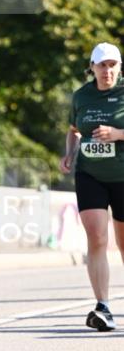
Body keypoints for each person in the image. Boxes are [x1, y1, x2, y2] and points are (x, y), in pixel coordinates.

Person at [60, 41, 124, 331]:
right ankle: (103, 307)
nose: (107, 71)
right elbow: (74, 130)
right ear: (92, 68)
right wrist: (69, 153)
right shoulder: (81, 96)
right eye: (102, 65)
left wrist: (117, 133)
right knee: (97, 238)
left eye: (112, 65)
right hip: (90, 174)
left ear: (119, 68)